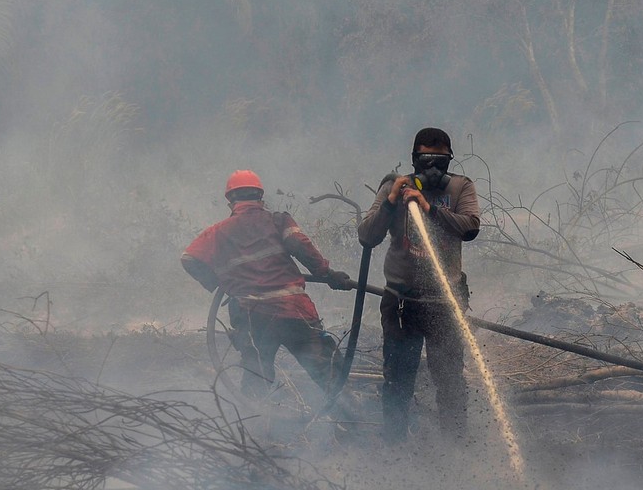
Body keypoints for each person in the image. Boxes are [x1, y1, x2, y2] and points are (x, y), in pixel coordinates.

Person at [182, 169, 354, 397]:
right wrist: (328, 273)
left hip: (253, 317)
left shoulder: (217, 233)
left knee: (256, 379)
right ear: (260, 198)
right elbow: (300, 247)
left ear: (230, 202)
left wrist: (216, 282)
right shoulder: (277, 220)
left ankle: (257, 427)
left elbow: (188, 258)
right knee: (331, 375)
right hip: (294, 312)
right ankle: (351, 424)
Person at [357, 127, 481, 443]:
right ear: (414, 159)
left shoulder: (460, 187)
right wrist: (392, 201)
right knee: (398, 381)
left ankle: (456, 450)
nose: (433, 168)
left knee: (450, 381)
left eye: (440, 161)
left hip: (445, 303)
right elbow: (367, 236)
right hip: (401, 303)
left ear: (450, 160)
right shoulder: (393, 187)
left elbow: (470, 228)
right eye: (426, 160)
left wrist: (430, 209)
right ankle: (395, 448)